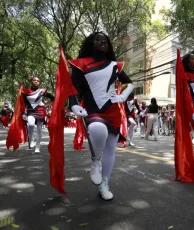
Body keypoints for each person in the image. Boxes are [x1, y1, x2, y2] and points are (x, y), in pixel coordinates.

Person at [68, 32, 135, 200]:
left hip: (113, 109)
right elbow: (72, 88)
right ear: (91, 43)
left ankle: (105, 183)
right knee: (98, 130)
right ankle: (95, 160)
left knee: (111, 149)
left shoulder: (115, 65)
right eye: (98, 40)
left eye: (106, 41)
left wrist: (122, 96)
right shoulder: (79, 64)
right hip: (93, 109)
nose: (103, 43)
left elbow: (129, 83)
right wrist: (74, 105)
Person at [23, 74, 55, 153]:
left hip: (41, 111)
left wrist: (46, 104)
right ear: (31, 81)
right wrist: (23, 112)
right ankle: (31, 139)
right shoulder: (25, 91)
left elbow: (53, 98)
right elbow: (23, 103)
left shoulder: (42, 91)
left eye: (38, 81)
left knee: (39, 130)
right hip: (30, 111)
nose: (36, 81)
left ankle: (38, 147)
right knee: (30, 124)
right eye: (35, 80)